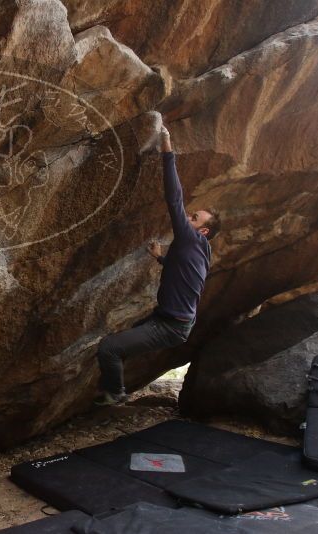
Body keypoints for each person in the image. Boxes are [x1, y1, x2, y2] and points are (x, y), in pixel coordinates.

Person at [94, 125, 221, 406]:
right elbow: (185, 274)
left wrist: (167, 148)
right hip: (170, 319)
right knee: (118, 344)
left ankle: (116, 395)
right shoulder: (202, 249)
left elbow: (173, 198)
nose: (188, 217)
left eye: (195, 217)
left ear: (203, 231)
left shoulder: (190, 238)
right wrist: (161, 257)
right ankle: (110, 386)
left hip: (170, 326)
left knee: (108, 348)